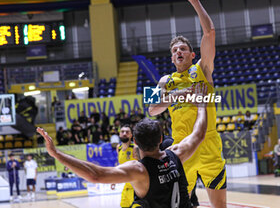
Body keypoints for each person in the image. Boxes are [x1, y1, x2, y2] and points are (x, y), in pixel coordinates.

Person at [37, 83, 208, 208]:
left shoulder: (139, 170)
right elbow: (199, 133)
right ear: (161, 139)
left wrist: (56, 154)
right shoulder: (176, 154)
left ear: (135, 142)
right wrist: (202, 104)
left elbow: (95, 175)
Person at [148, 0, 227, 208]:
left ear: (192, 54)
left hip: (210, 143)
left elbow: (210, 33)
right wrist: (179, 94)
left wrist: (194, 0)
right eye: (175, 51)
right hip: (183, 149)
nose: (178, 52)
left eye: (182, 49)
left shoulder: (203, 69)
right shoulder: (164, 80)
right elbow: (151, 110)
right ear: (172, 59)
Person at [118, 124, 137, 208]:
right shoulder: (118, 148)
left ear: (131, 135)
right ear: (119, 134)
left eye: (127, 132)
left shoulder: (136, 148)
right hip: (126, 186)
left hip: (136, 187)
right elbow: (121, 166)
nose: (124, 133)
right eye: (122, 132)